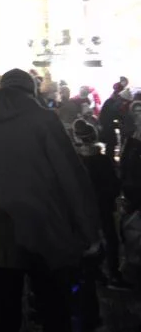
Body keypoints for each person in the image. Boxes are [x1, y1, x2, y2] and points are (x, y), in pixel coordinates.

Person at [0, 68, 100, 332]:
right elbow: (71, 176)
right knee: (53, 307)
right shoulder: (44, 120)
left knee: (5, 307)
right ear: (30, 90)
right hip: (44, 226)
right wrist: (88, 229)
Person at [72, 119, 129, 292]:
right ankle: (113, 274)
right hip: (103, 205)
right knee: (110, 240)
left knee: (90, 241)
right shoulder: (102, 160)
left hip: (85, 207)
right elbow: (114, 183)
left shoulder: (76, 161)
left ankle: (93, 271)